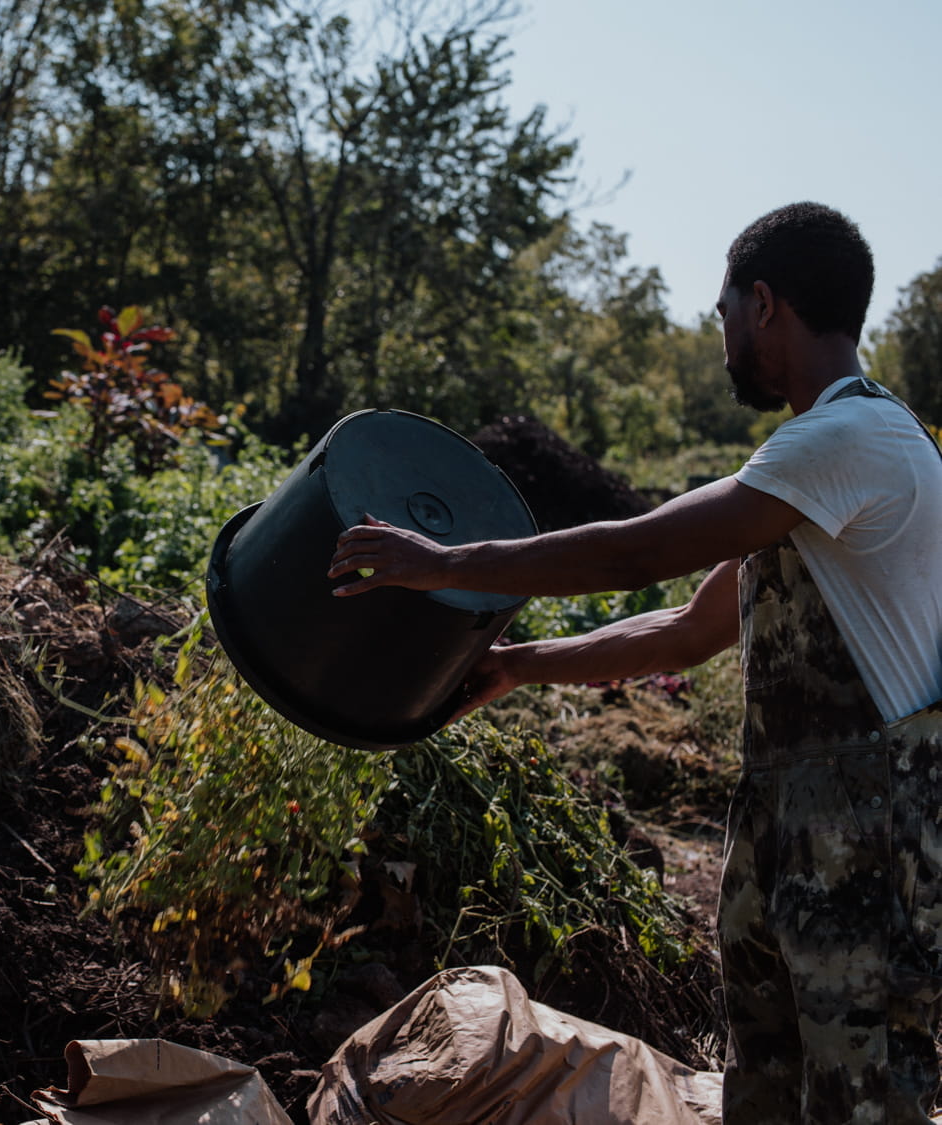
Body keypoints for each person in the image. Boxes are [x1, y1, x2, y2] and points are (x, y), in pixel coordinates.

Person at [327, 201, 942, 1124]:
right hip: (792, 827)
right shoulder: (815, 467)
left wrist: (445, 563)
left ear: (764, 303)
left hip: (864, 837)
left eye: (725, 311)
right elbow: (685, 631)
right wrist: (520, 664)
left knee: (865, 1097)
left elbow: (636, 552)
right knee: (766, 1091)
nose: (724, 334)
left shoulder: (849, 442)